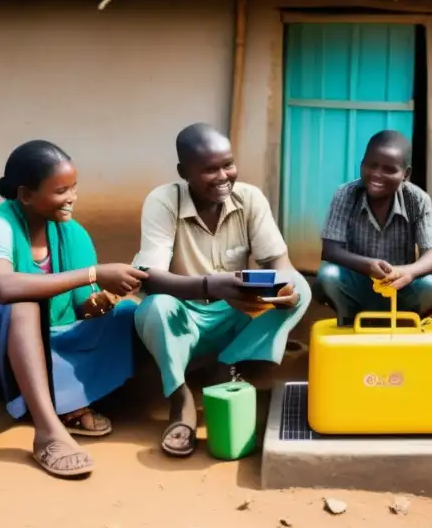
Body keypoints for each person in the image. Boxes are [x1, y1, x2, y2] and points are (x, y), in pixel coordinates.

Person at [0, 140, 150, 479]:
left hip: (35, 347)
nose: (72, 197)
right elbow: (4, 288)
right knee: (22, 304)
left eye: (74, 187)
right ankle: (48, 431)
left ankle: (62, 400)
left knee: (128, 316)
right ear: (26, 195)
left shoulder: (72, 234)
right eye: (61, 190)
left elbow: (80, 310)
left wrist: (106, 297)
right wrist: (94, 273)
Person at [132, 123, 311, 458]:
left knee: (301, 287)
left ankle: (225, 367)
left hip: (235, 310)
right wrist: (211, 285)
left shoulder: (250, 197)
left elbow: (279, 261)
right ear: (184, 172)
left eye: (227, 164)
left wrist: (285, 288)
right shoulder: (163, 201)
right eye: (209, 169)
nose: (222, 176)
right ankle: (181, 399)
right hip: (183, 313)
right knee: (154, 308)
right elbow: (149, 278)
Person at [316, 130, 432, 325]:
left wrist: (408, 272)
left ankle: (402, 322)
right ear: (362, 164)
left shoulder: (417, 200)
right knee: (328, 276)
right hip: (356, 285)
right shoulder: (345, 194)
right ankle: (350, 318)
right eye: (371, 165)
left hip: (400, 287)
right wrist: (368, 266)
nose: (377, 174)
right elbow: (330, 251)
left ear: (406, 174)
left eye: (389, 169)